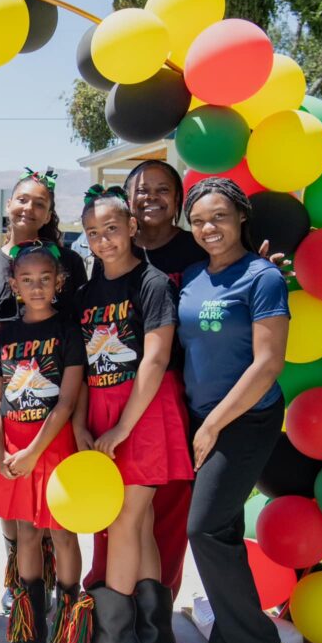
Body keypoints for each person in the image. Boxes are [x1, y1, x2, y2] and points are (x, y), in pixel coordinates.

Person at [64, 185, 193, 643]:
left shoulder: (153, 283)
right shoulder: (86, 295)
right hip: (103, 417)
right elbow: (81, 368)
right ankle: (154, 637)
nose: (103, 240)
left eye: (112, 229)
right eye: (93, 233)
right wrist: (80, 424)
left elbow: (156, 359)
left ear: (132, 229)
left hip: (144, 416)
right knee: (136, 525)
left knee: (122, 522)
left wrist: (122, 427)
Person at [175, 178, 292, 643]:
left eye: (219, 217)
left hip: (245, 420)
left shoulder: (262, 278)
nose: (208, 228)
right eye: (199, 220)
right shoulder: (195, 275)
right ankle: (226, 641)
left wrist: (214, 423)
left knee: (203, 528)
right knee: (218, 532)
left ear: (241, 217)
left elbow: (267, 365)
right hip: (203, 418)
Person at [84, 161, 205, 605]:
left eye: (163, 189)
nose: (152, 196)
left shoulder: (197, 252)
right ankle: (114, 600)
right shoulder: (108, 264)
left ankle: (149, 612)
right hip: (115, 398)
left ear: (178, 200)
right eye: (143, 189)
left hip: (174, 399)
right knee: (121, 516)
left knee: (164, 514)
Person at [0, 167, 86, 610]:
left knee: (61, 527)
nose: (36, 287)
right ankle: (27, 610)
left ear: (58, 281)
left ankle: (69, 614)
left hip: (53, 436)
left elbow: (69, 392)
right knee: (22, 526)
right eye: (22, 200)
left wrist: (43, 445)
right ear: (14, 284)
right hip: (12, 430)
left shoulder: (67, 316)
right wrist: (2, 446)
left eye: (39, 203)